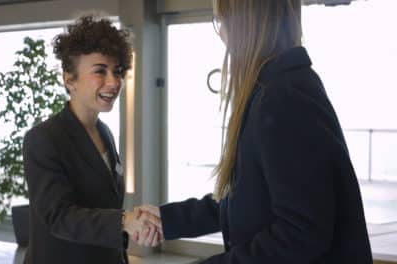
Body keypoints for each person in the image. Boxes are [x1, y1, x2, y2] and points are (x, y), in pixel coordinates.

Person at [136, 0, 373, 263]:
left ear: (243, 24)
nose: (222, 34)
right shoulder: (275, 88)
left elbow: (302, 232)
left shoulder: (284, 96)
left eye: (220, 21)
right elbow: (247, 201)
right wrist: (168, 220)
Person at [23, 15, 160, 264]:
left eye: (117, 72)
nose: (114, 82)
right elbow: (59, 216)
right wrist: (123, 221)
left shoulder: (105, 133)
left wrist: (131, 223)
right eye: (100, 71)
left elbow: (104, 202)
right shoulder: (43, 139)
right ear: (69, 78)